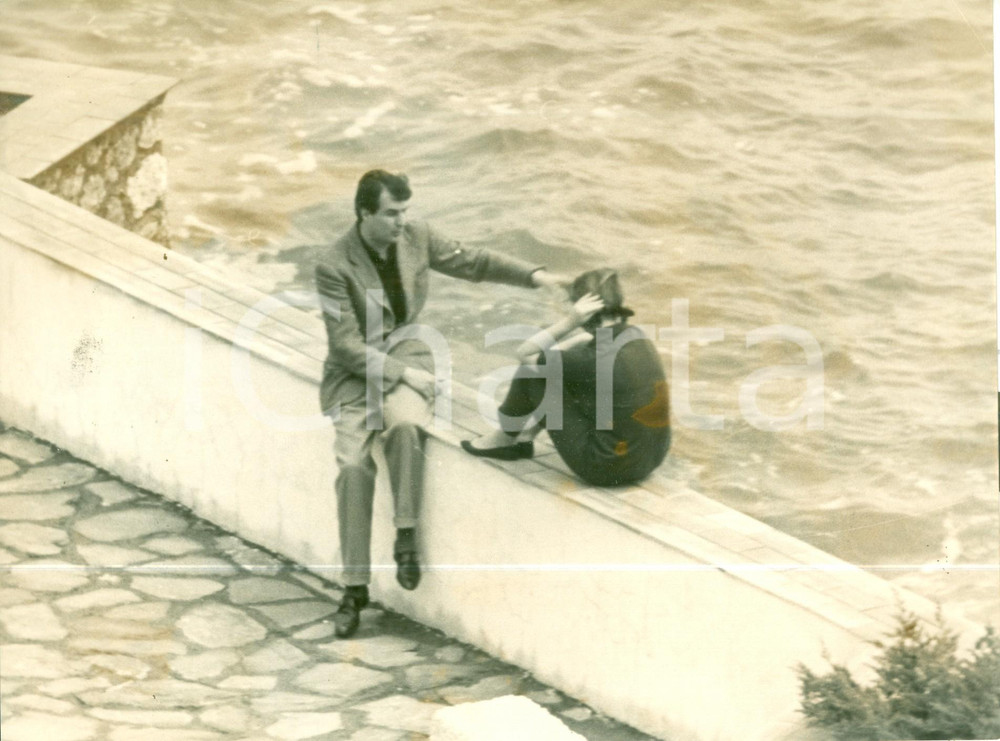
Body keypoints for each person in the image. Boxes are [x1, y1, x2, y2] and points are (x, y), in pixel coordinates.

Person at [316, 169, 563, 638]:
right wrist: (403, 373)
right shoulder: (333, 265)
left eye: (405, 212)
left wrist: (537, 276)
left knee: (407, 428)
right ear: (365, 213)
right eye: (391, 213)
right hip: (355, 375)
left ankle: (406, 534)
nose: (401, 222)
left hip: (407, 349)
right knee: (352, 466)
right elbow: (345, 346)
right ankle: (354, 588)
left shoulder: (416, 237)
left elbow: (473, 262)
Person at [462, 268, 670, 486]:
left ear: (583, 310)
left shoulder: (591, 358)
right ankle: (524, 438)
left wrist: (570, 321)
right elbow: (587, 351)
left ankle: (503, 440)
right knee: (560, 371)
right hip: (649, 460)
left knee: (532, 373)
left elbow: (525, 354)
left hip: (605, 467)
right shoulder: (635, 336)